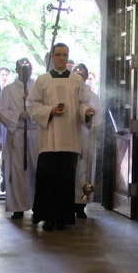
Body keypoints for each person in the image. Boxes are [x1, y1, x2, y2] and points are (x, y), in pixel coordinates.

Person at [27, 43, 95, 231]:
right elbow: (32, 104)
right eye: (58, 55)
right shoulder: (42, 80)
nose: (61, 58)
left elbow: (82, 103)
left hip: (70, 138)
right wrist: (49, 110)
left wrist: (87, 111)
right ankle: (47, 218)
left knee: (65, 181)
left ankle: (63, 218)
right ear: (52, 56)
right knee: (48, 180)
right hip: (49, 139)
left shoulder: (76, 80)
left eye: (65, 55)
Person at [0, 57, 39, 219]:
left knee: (35, 169)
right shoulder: (8, 90)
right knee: (17, 171)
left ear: (32, 70)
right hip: (17, 134)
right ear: (17, 70)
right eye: (22, 69)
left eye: (28, 69)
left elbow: (43, 108)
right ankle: (18, 207)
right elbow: (2, 111)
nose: (25, 72)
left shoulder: (37, 88)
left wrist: (32, 112)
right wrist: (19, 115)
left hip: (35, 134)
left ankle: (37, 205)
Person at [72, 62, 102, 218]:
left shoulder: (93, 97)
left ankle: (82, 205)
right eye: (75, 74)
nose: (79, 76)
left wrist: (90, 117)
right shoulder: (69, 94)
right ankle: (69, 202)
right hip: (71, 137)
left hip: (87, 138)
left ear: (86, 76)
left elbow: (99, 117)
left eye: (81, 74)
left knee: (86, 171)